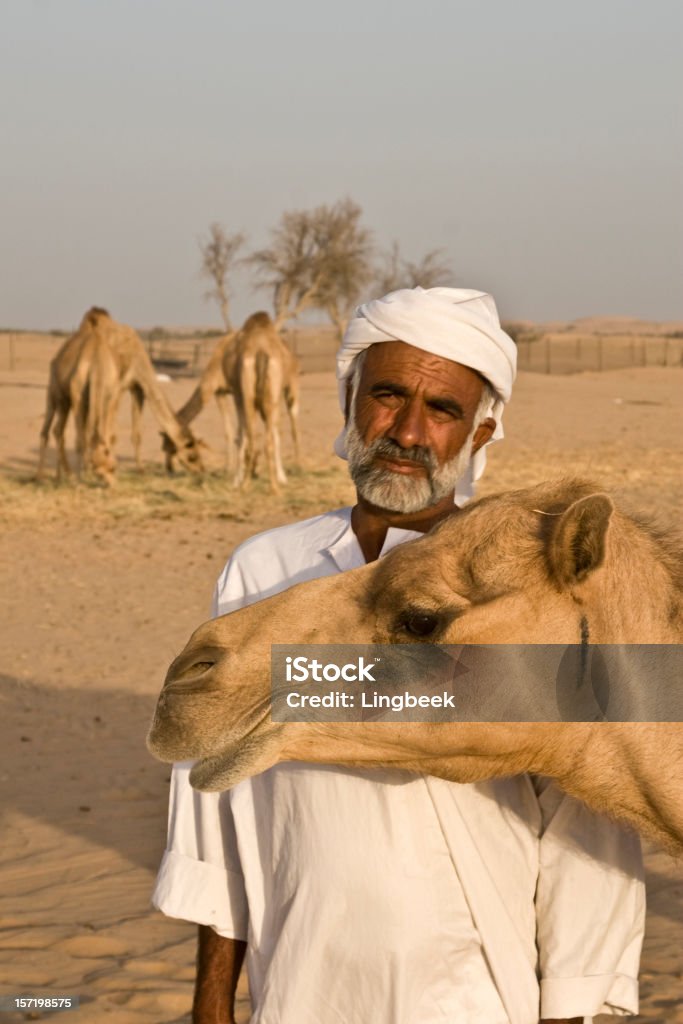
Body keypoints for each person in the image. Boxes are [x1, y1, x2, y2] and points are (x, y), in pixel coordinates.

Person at [153, 288, 645, 1024]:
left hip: (472, 992)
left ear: (480, 433)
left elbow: (587, 824)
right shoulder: (263, 572)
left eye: (442, 410)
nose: (408, 431)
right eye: (387, 395)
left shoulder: (526, 592)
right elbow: (213, 804)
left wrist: (565, 1010)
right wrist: (212, 1003)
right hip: (296, 984)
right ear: (349, 400)